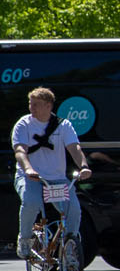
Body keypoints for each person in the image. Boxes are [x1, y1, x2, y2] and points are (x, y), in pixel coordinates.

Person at [12, 87, 92, 253]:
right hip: (30, 176)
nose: (31, 108)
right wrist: (28, 169)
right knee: (32, 203)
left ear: (49, 106)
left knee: (73, 209)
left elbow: (74, 148)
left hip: (55, 177)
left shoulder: (63, 125)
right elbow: (20, 150)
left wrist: (83, 166)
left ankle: (70, 244)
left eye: (36, 105)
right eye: (30, 104)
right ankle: (25, 239)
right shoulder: (23, 124)